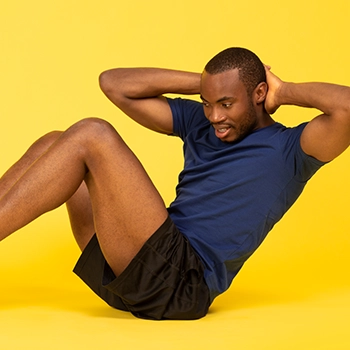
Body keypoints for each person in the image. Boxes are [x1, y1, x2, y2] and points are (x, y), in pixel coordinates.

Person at [0, 48, 349, 320]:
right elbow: (114, 83)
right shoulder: (204, 122)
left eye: (226, 103)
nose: (215, 117)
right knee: (56, 141)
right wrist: (207, 85)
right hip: (133, 269)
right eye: (208, 104)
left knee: (92, 134)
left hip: (181, 283)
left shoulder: (291, 150)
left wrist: (283, 90)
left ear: (259, 93)